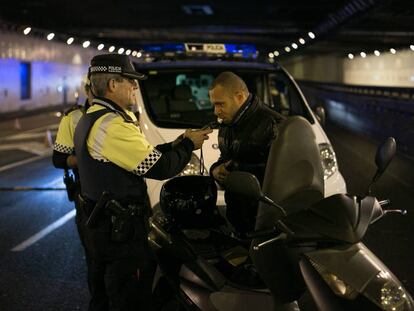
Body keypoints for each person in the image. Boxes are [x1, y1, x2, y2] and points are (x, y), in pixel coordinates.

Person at [74, 53, 212, 311]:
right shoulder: (113, 125)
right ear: (113, 85)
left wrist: (177, 142)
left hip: (100, 225)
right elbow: (159, 167)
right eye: (130, 81)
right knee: (129, 298)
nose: (135, 86)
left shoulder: (92, 117)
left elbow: (139, 156)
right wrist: (188, 147)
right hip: (121, 235)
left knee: (103, 295)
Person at [209, 71, 285, 235]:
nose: (216, 111)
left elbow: (281, 176)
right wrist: (215, 170)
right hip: (239, 219)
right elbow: (226, 158)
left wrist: (235, 170)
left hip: (265, 223)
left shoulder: (273, 125)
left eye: (220, 104)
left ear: (239, 97)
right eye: (214, 105)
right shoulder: (228, 123)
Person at [53, 75, 94, 247]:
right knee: (95, 256)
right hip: (86, 194)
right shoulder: (74, 117)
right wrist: (84, 161)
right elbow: (58, 159)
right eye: (93, 89)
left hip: (121, 193)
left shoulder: (124, 115)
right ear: (87, 90)